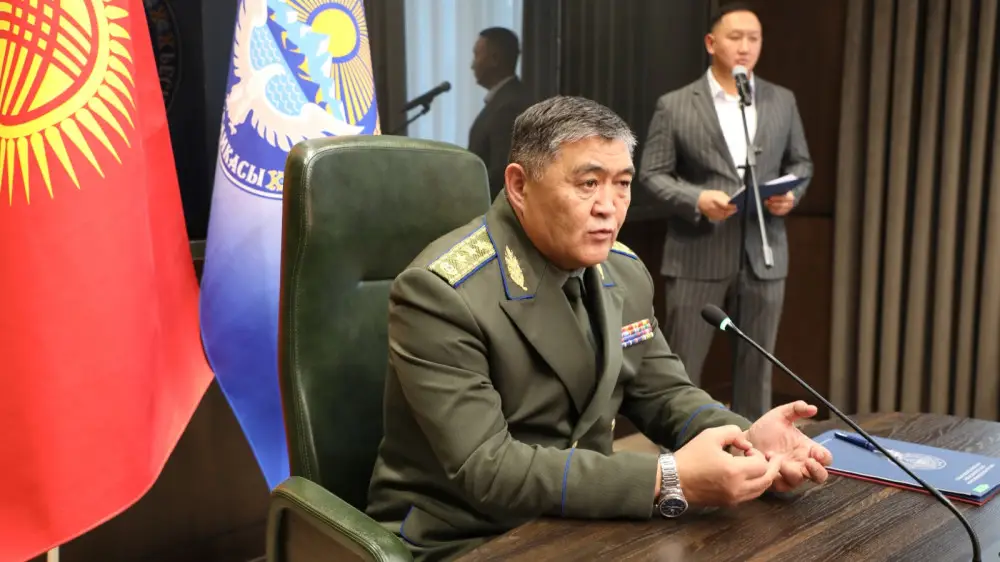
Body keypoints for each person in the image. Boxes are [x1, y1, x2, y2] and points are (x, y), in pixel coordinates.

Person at [367, 96, 830, 561]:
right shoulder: (442, 292)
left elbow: (663, 393)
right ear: (520, 186)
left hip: (584, 517)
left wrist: (747, 439)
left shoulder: (623, 270)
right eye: (588, 183)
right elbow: (488, 469)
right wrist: (666, 477)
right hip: (468, 535)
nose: (609, 207)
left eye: (622, 184)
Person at [638, 3, 813, 420]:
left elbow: (801, 163)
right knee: (682, 367)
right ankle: (683, 450)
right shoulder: (675, 105)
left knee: (757, 370)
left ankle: (754, 450)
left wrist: (791, 195)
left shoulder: (781, 100)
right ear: (711, 43)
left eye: (754, 38)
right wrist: (697, 200)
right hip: (698, 252)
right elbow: (651, 174)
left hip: (764, 253)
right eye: (735, 37)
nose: (745, 47)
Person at [468, 27, 533, 201]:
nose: (472, 65)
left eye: (476, 55)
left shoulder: (509, 106)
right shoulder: (505, 99)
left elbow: (501, 174)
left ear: (494, 59)